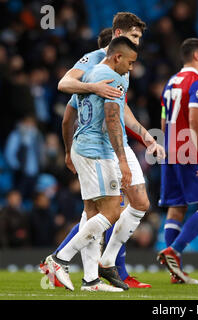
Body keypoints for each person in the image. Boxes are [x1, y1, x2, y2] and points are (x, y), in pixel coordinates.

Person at [40, 13, 164, 289]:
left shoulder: (118, 69)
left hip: (96, 143)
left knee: (98, 210)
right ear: (119, 38)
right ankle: (61, 259)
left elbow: (120, 110)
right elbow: (67, 88)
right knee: (110, 211)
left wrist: (145, 136)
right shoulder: (96, 65)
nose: (137, 46)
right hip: (101, 145)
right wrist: (121, 159)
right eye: (133, 38)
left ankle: (91, 277)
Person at [157, 38, 198, 284]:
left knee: (177, 207)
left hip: (170, 150)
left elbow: (163, 120)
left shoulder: (170, 82)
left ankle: (176, 272)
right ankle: (175, 250)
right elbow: (195, 120)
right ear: (196, 56)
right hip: (189, 151)